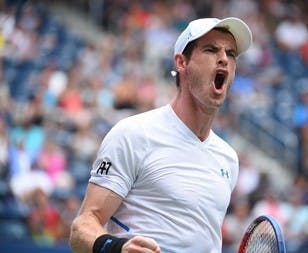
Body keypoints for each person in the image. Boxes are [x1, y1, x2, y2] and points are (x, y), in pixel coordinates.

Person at [69, 17, 252, 253]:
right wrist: (118, 248)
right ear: (181, 63)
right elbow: (81, 228)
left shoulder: (228, 158)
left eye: (231, 54)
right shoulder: (133, 134)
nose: (224, 59)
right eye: (211, 50)